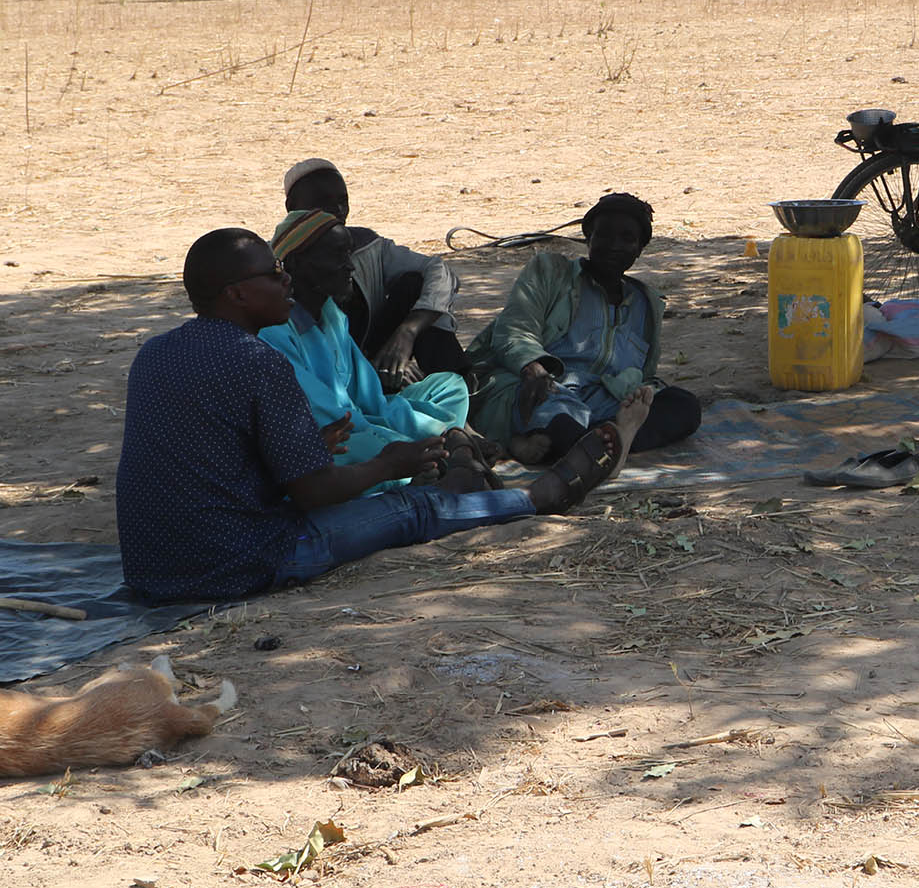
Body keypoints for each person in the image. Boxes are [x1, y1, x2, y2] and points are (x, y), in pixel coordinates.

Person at [115, 229, 631, 604]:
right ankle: (536, 497)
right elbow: (313, 494)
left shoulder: (154, 353)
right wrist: (389, 463)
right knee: (413, 510)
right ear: (237, 294)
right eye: (273, 274)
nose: (285, 279)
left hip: (151, 568)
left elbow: (219, 456)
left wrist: (313, 445)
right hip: (235, 564)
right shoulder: (260, 361)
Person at [467, 192, 702, 465]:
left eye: (627, 239)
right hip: (543, 389)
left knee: (684, 406)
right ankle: (602, 443)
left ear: (640, 248)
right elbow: (513, 332)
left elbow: (646, 374)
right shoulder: (550, 272)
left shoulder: (645, 303)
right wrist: (533, 367)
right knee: (559, 415)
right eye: (604, 235)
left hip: (605, 402)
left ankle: (595, 443)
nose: (614, 246)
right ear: (588, 237)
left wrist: (642, 396)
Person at [259, 209, 473, 492]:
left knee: (451, 387)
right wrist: (402, 439)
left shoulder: (331, 314)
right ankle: (425, 461)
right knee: (358, 446)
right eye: (337, 256)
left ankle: (430, 452)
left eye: (348, 254)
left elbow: (370, 400)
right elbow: (333, 421)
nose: (350, 267)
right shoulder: (274, 330)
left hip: (363, 419)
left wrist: (400, 427)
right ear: (298, 263)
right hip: (329, 437)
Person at [282, 158, 468, 386]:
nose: (338, 212)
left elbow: (439, 272)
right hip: (332, 377)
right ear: (292, 207)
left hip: (367, 355)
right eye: (323, 204)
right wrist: (368, 373)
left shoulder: (367, 244)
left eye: (343, 201)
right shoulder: (281, 261)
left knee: (414, 284)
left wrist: (406, 333)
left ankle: (458, 382)